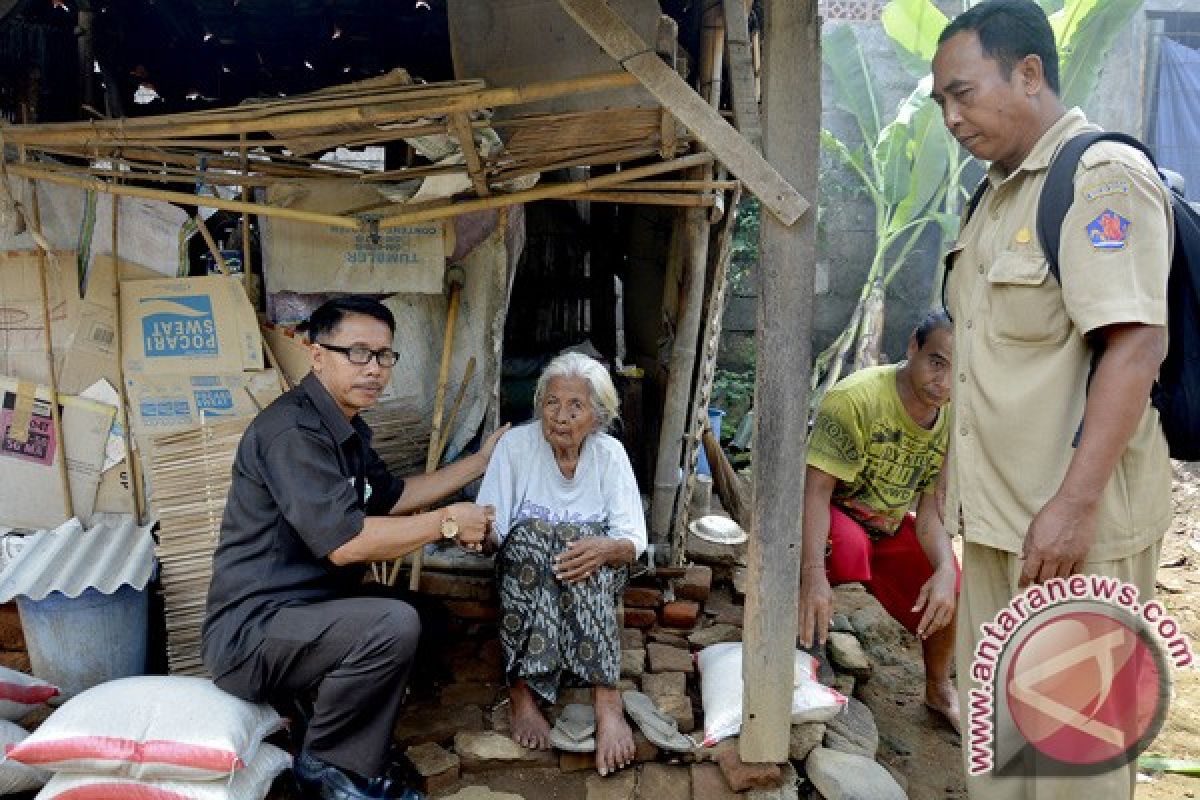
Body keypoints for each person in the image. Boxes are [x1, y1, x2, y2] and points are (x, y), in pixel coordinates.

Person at [932, 1, 1172, 796]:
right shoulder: (997, 195)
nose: (951, 116)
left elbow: (1135, 345)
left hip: (1073, 534)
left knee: (1070, 763)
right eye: (940, 102)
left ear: (1028, 73)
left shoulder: (1101, 178)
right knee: (1004, 749)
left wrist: (1073, 504)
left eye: (963, 92)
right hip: (1004, 530)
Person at [202, 296, 507, 800]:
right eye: (358, 353)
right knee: (391, 625)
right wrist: (449, 523)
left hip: (304, 617)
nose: (374, 369)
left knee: (422, 614)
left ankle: (327, 728)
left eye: (385, 356)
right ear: (317, 355)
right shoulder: (292, 432)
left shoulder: (344, 429)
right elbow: (346, 544)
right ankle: (329, 771)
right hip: (253, 633)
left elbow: (394, 496)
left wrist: (477, 463)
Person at [476, 352, 646, 777]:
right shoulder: (516, 447)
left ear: (598, 415)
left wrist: (603, 548)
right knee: (534, 545)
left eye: (576, 406)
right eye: (552, 402)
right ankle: (521, 692)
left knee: (580, 549)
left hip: (592, 569)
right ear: (540, 405)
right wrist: (480, 536)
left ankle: (607, 701)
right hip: (527, 569)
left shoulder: (611, 455)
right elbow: (493, 526)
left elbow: (633, 541)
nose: (561, 416)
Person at [798, 310, 960, 731]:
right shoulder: (856, 399)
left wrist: (944, 569)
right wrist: (812, 573)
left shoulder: (953, 419)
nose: (943, 381)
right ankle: (797, 647)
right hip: (834, 514)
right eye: (937, 362)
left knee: (952, 583)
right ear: (913, 347)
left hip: (886, 527)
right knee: (847, 549)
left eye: (957, 371)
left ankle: (938, 689)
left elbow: (930, 514)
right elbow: (814, 491)